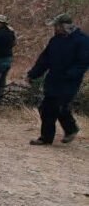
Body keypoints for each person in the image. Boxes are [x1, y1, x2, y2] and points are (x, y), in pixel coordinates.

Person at [26, 14, 89, 145]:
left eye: (56, 26)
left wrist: (70, 74)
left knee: (58, 106)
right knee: (46, 107)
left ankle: (63, 131)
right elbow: (44, 60)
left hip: (69, 82)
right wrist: (33, 74)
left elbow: (83, 62)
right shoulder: (55, 40)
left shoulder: (82, 40)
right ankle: (53, 135)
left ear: (64, 26)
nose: (55, 29)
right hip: (53, 80)